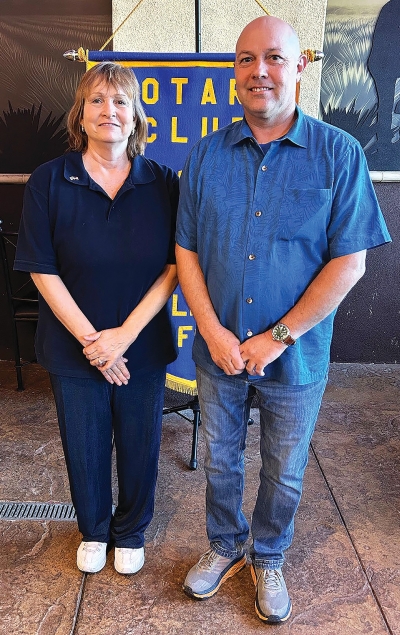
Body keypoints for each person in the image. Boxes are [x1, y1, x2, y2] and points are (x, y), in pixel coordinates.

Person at [176, 16, 391, 624]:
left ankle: (268, 554)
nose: (258, 71)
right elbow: (186, 251)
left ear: (300, 67)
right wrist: (214, 333)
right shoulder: (205, 156)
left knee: (284, 468)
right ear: (235, 73)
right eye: (246, 60)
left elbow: (350, 264)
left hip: (295, 357)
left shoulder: (338, 154)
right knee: (220, 459)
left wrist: (275, 339)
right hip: (217, 352)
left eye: (273, 58)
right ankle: (225, 546)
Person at [15, 62, 179, 576]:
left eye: (121, 101)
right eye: (97, 101)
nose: (110, 110)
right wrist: (95, 344)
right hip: (72, 347)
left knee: (140, 442)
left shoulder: (164, 182)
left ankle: (130, 531)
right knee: (83, 444)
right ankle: (93, 528)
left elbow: (178, 267)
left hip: (143, 345)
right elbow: (42, 270)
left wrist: (123, 338)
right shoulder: (49, 181)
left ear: (137, 117)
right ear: (80, 115)